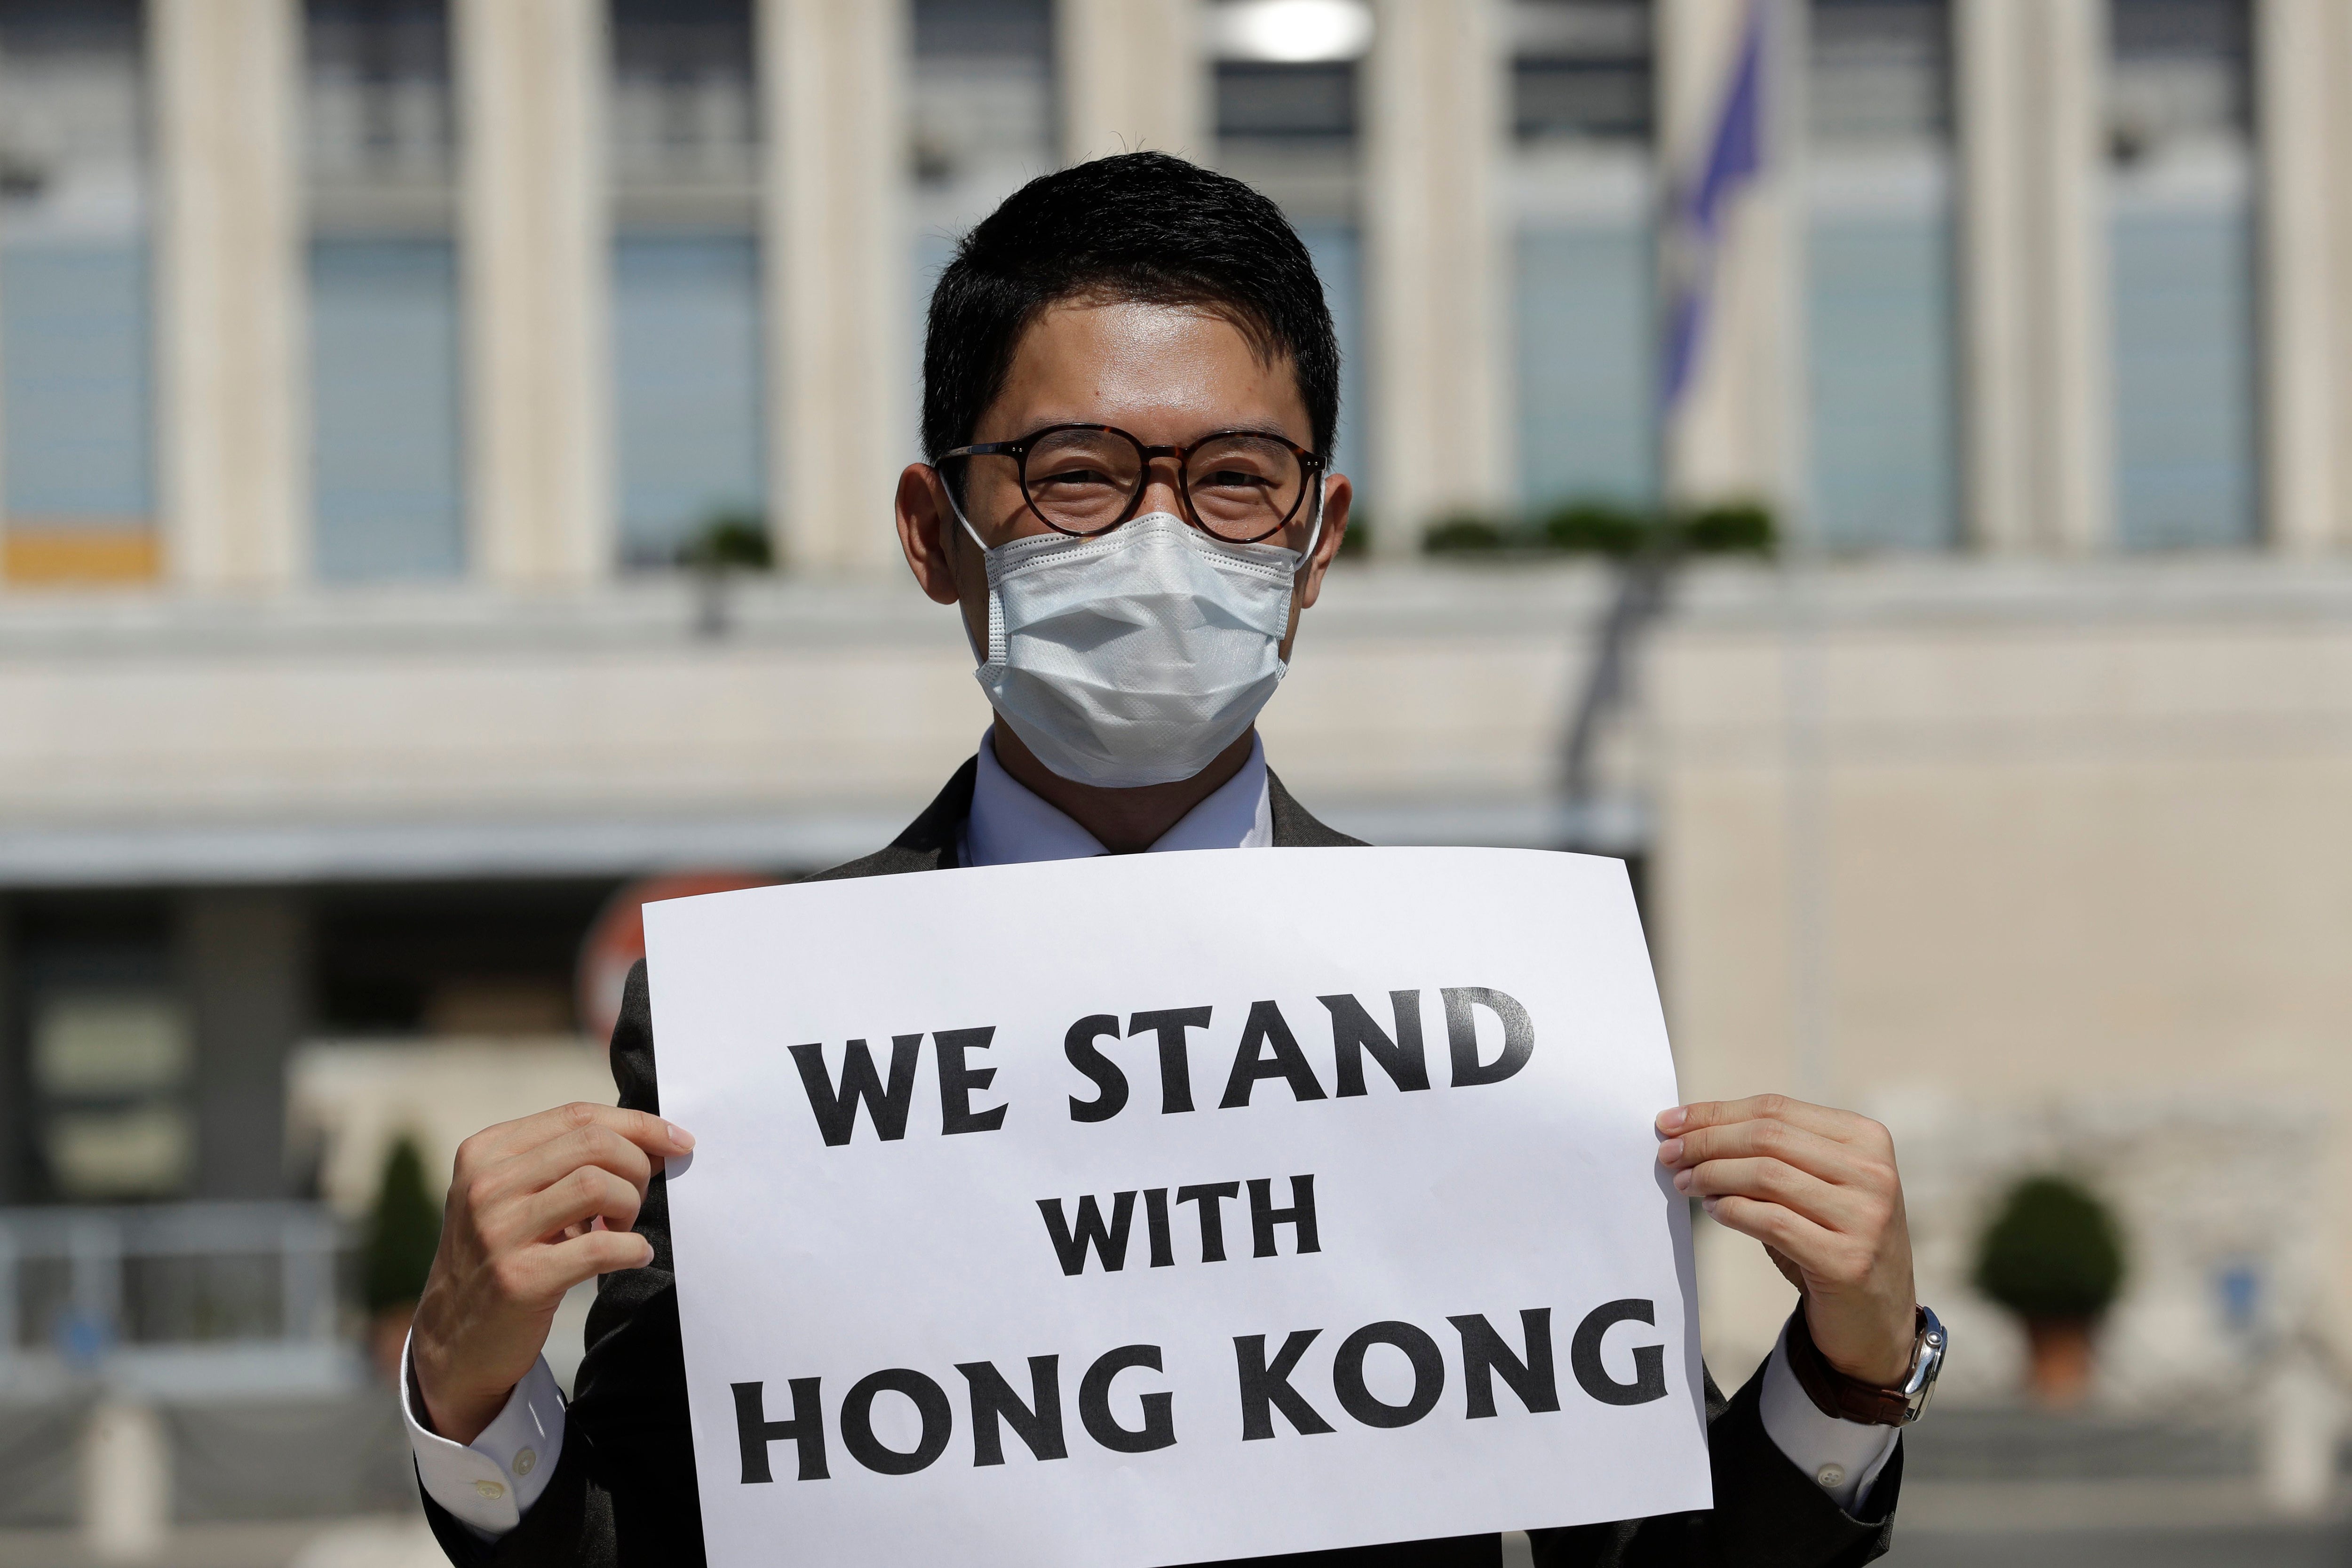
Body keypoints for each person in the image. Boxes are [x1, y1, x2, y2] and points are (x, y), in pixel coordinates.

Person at [404, 153, 1935, 1567]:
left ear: (1318, 540)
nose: (1161, 536)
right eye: (1077, 472)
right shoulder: (752, 1036)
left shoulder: (1486, 1011)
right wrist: (477, 1405)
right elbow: (661, 1538)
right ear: (937, 530)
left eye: (1233, 480)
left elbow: (1634, 1557)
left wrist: (1847, 1376)